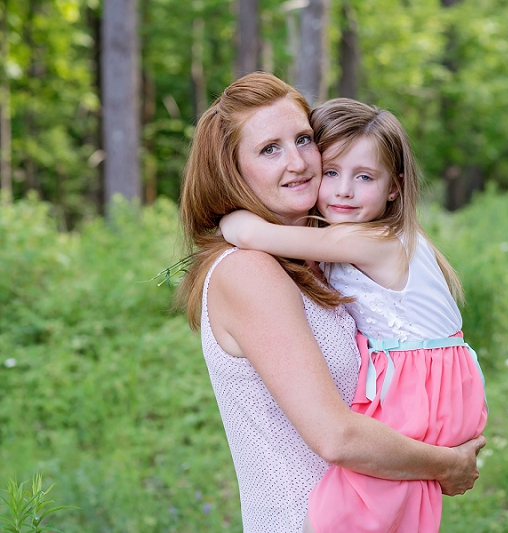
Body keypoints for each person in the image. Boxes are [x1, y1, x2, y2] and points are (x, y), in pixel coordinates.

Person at [177, 73, 485, 533]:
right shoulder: (249, 270)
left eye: (303, 139)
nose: (299, 162)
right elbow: (336, 436)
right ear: (232, 170)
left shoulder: (319, 260)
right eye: (269, 149)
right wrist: (446, 464)